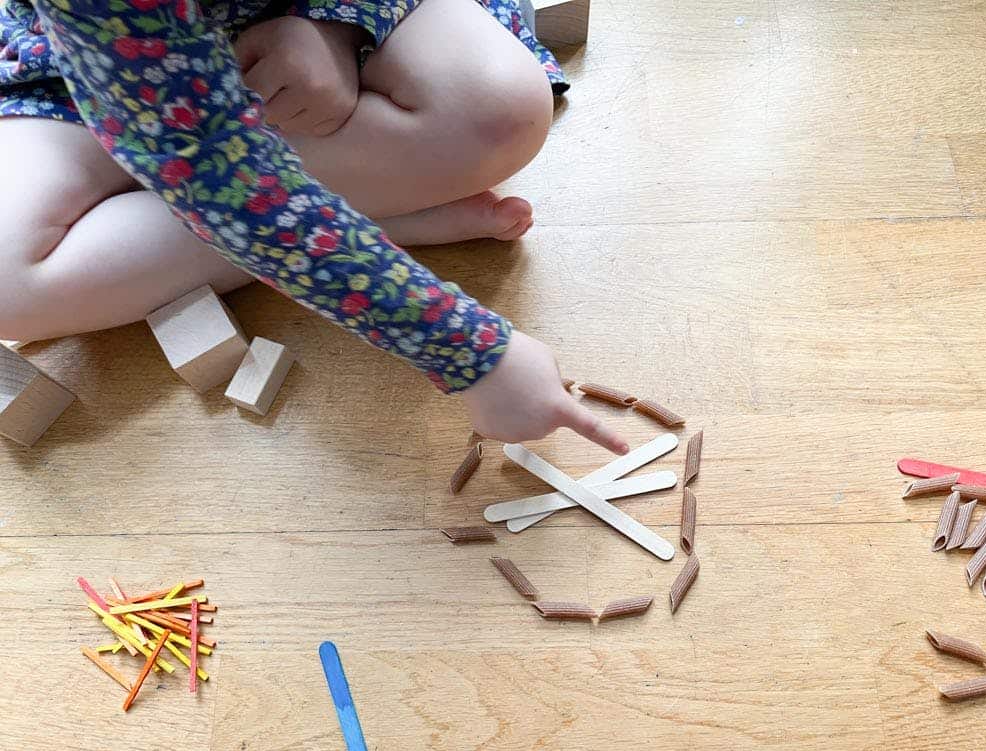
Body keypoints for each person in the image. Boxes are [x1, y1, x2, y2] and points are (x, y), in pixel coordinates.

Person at [0, 0, 628, 453]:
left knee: (501, 113)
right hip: (99, 65)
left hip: (340, 22)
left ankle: (334, 208)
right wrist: (469, 349)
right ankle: (371, 213)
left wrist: (338, 24)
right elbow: (209, 166)